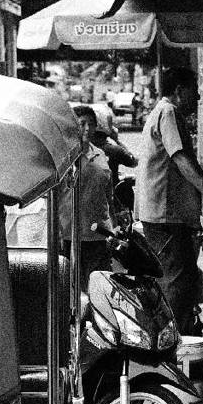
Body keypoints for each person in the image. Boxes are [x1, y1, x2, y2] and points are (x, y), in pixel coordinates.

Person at [134, 67, 203, 335]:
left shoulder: (164, 112)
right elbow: (179, 156)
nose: (198, 97)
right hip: (164, 213)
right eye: (195, 90)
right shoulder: (167, 112)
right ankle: (173, 345)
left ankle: (180, 337)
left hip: (164, 213)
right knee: (175, 281)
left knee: (184, 278)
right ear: (181, 91)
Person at [70, 105, 116, 282]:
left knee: (99, 287)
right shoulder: (66, 158)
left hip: (98, 235)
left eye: (91, 124)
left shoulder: (101, 155)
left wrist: (115, 227)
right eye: (82, 124)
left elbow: (108, 197)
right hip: (70, 236)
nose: (87, 129)